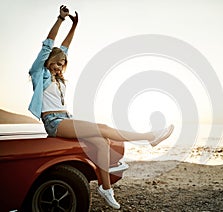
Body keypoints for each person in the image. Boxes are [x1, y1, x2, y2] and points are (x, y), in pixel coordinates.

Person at [28, 5, 174, 209]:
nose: (59, 66)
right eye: (57, 62)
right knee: (104, 127)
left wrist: (74, 26)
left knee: (101, 141)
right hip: (54, 122)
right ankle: (151, 137)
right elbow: (48, 45)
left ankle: (106, 188)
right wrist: (60, 20)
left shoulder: (58, 78)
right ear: (48, 60)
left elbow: (65, 49)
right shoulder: (39, 74)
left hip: (65, 119)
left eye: (62, 64)